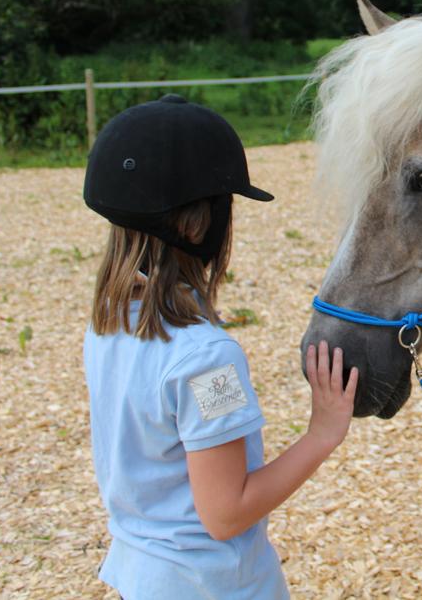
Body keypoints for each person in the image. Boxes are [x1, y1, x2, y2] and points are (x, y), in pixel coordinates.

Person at [81, 94, 356, 599]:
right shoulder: (207, 360)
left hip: (139, 574)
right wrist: (322, 434)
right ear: (195, 224)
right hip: (212, 585)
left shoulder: (111, 324)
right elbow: (226, 513)